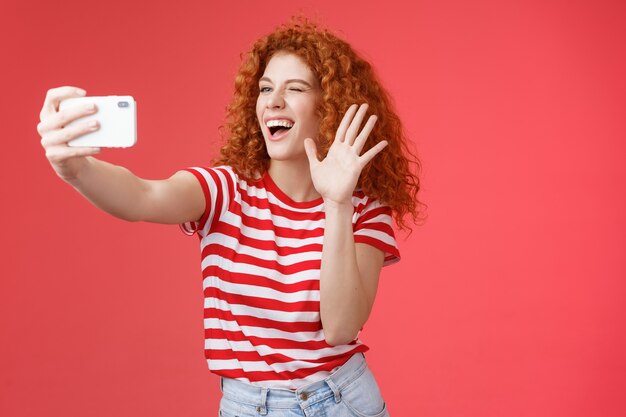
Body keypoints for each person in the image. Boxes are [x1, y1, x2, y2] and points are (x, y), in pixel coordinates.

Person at [38, 18, 422, 417]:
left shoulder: (363, 207)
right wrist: (76, 170)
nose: (273, 101)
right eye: (266, 88)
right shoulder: (225, 191)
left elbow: (342, 328)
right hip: (248, 406)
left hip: (344, 401)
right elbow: (142, 196)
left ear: (330, 107)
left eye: (295, 89)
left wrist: (337, 203)